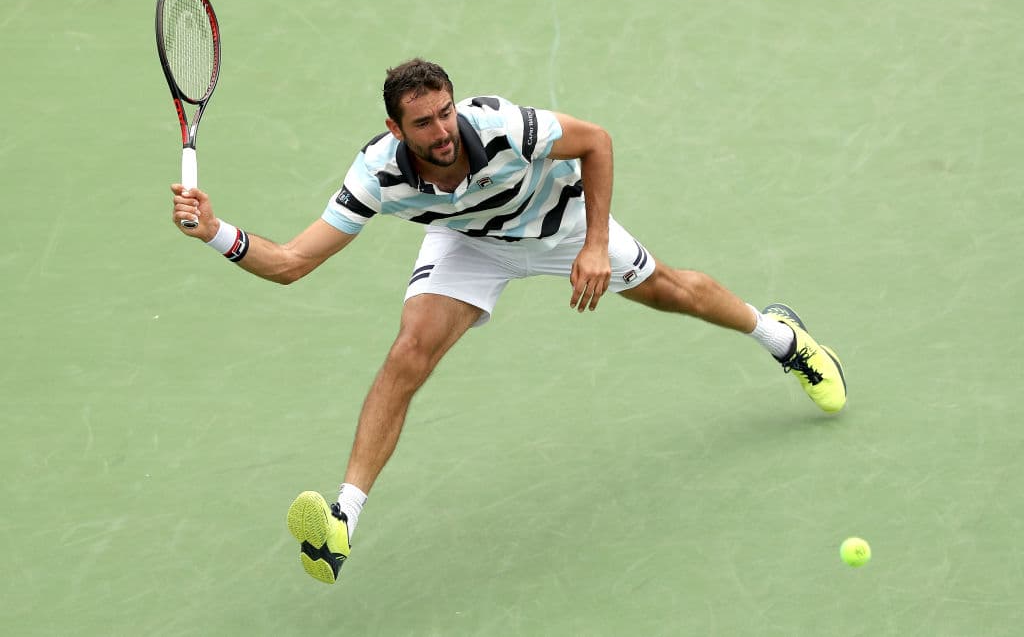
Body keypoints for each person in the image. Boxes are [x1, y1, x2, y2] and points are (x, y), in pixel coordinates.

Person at [170, 58, 846, 585]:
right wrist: (214, 232)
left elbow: (596, 142)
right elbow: (292, 262)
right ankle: (344, 516)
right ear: (395, 131)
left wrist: (594, 243)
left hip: (560, 224)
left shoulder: (501, 126)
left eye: (444, 113)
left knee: (673, 291)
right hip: (470, 243)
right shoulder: (376, 174)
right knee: (408, 353)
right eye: (422, 123)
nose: (440, 131)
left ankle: (783, 339)